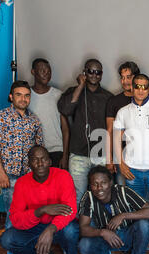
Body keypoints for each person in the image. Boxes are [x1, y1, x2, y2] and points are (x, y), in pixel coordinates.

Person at [0, 80, 43, 254]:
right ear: (11, 96)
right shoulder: (0, 117)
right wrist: (0, 172)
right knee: (13, 217)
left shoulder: (34, 120)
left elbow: (39, 150)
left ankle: (31, 251)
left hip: (30, 177)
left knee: (32, 216)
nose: (23, 98)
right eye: (19, 94)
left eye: (27, 95)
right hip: (9, 176)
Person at [0, 146, 80, 254]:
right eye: (35, 160)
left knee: (71, 230)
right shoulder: (22, 183)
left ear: (49, 161)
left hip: (58, 227)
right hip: (36, 226)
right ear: (29, 163)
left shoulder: (63, 176)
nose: (40, 163)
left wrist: (50, 229)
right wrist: (40, 211)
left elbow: (70, 210)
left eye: (43, 159)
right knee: (6, 239)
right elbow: (16, 218)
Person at [78, 165, 149, 254]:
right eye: (95, 184)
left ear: (110, 182)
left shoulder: (123, 192)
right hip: (105, 240)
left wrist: (123, 215)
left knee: (144, 225)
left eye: (103, 183)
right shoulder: (88, 197)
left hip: (127, 237)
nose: (99, 188)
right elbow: (83, 228)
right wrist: (102, 232)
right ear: (90, 185)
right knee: (83, 245)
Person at [57, 58, 113, 203]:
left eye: (98, 72)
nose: (94, 75)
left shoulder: (108, 97)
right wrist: (80, 86)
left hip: (101, 154)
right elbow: (65, 109)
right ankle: (78, 225)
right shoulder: (73, 91)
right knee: (78, 195)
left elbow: (112, 128)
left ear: (101, 75)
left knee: (102, 194)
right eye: (90, 71)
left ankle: (99, 224)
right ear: (84, 72)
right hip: (78, 154)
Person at [113, 74, 149, 205]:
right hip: (132, 171)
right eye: (137, 87)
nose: (141, 90)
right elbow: (116, 138)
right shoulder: (123, 112)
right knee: (137, 210)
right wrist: (121, 164)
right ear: (132, 88)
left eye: (144, 87)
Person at [105, 61, 149, 184]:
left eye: (128, 77)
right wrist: (110, 159)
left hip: (146, 160)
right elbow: (110, 131)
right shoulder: (114, 101)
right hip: (122, 158)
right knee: (123, 192)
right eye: (122, 78)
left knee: (147, 195)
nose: (125, 81)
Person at [29, 58, 70, 169]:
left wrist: (65, 156)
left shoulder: (58, 95)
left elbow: (65, 129)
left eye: (49, 71)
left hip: (56, 150)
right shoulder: (26, 96)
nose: (46, 74)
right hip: (34, 151)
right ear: (33, 72)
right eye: (42, 71)